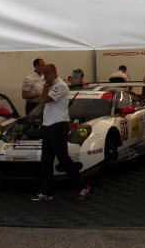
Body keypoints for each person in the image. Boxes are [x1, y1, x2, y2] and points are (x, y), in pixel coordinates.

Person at [32, 63, 90, 201]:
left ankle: (82, 186)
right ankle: (46, 191)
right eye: (43, 74)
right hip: (48, 126)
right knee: (46, 160)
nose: (45, 76)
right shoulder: (52, 86)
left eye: (47, 73)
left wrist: (46, 85)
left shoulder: (61, 86)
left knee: (63, 158)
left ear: (54, 73)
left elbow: (44, 99)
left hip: (58, 126)